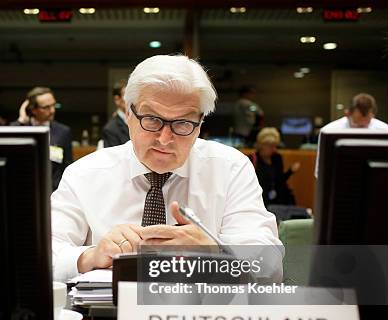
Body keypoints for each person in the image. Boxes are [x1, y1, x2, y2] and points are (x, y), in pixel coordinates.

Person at [51, 54, 282, 282]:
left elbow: (270, 265)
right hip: (110, 315)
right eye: (152, 119)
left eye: (182, 123)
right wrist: (89, 256)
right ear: (129, 114)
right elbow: (43, 255)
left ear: (200, 124)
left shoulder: (231, 168)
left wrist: (217, 252)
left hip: (203, 314)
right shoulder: (84, 174)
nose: (164, 138)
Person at [11, 87, 72, 191]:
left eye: (53, 105)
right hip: (25, 189)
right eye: (46, 107)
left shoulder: (63, 131)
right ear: (33, 109)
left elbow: (67, 166)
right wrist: (21, 121)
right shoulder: (19, 129)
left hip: (54, 193)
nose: (52, 110)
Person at [315, 93, 388, 177]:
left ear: (372, 115)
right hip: (340, 183)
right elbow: (320, 171)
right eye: (357, 125)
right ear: (347, 114)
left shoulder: (385, 131)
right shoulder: (328, 131)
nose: (361, 130)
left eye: (366, 124)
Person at [249, 127, 299, 206]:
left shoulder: (277, 158)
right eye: (271, 146)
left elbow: (280, 180)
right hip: (260, 201)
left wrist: (290, 171)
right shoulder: (252, 159)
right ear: (262, 145)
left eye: (275, 146)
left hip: (278, 201)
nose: (274, 149)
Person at [100, 79, 130, 148]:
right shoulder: (110, 129)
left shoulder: (138, 121)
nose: (130, 99)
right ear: (117, 100)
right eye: (126, 95)